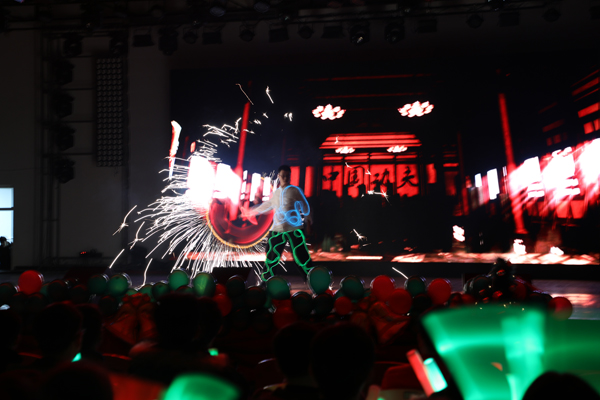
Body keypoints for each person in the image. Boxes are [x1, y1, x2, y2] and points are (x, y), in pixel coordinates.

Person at [243, 165, 313, 282]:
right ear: (279, 176)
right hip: (277, 229)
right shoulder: (276, 193)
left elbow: (305, 205)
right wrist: (251, 211)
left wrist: (309, 220)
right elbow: (268, 205)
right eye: (283, 176)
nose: (285, 178)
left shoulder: (295, 190)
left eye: (287, 176)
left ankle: (313, 280)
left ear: (290, 176)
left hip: (294, 228)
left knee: (301, 257)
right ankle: (266, 282)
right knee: (271, 256)